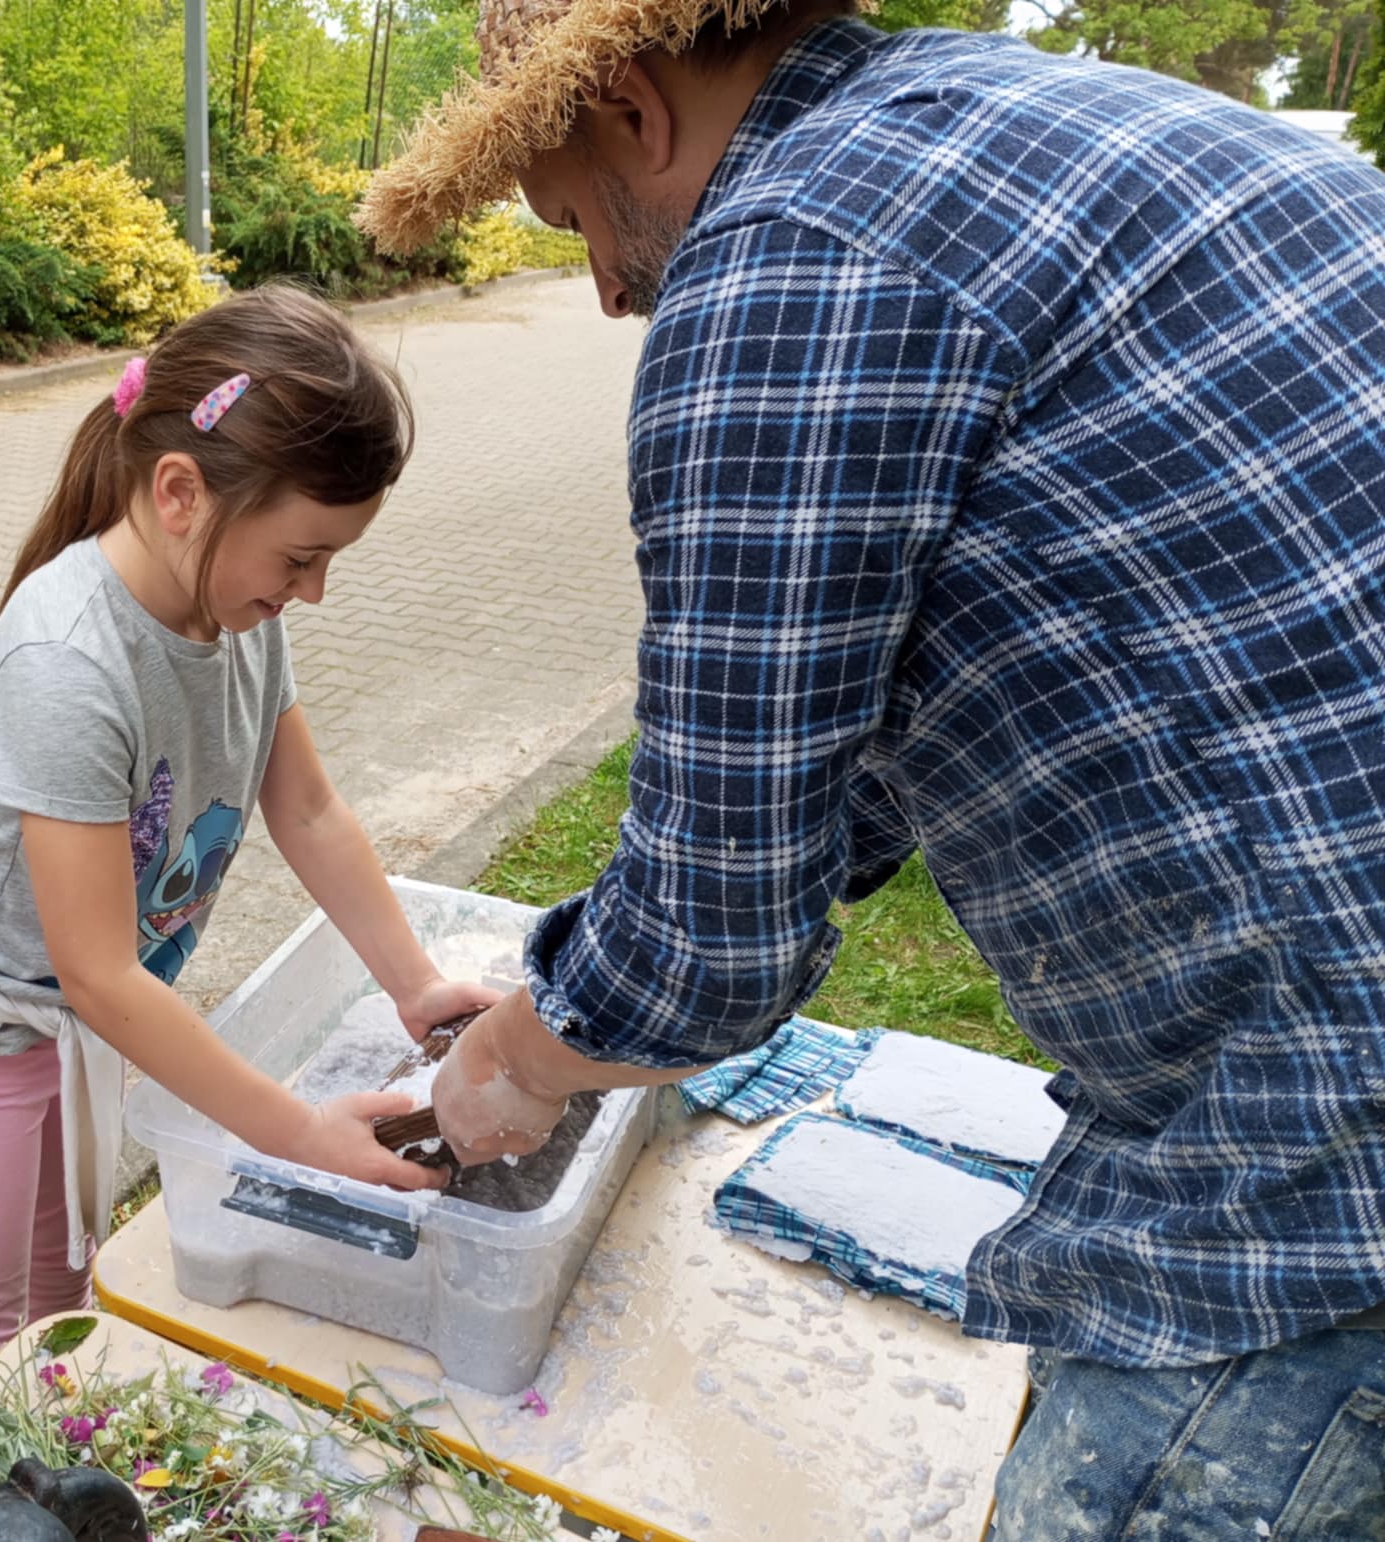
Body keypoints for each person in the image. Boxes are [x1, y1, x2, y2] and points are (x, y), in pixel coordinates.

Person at [360, 0, 1385, 1533]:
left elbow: (709, 944)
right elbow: (846, 756)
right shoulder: (1050, 128)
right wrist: (571, 982)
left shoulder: (790, 261)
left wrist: (513, 1064)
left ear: (632, 106)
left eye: (575, 224)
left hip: (1315, 1147)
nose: (606, 289)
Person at [0, 286, 497, 1415]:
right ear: (180, 493)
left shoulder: (236, 615)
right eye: (300, 557)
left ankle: (39, 1481)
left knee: (60, 1301)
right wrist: (299, 1136)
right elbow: (96, 971)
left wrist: (415, 985)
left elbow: (309, 811)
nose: (313, 592)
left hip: (78, 1009)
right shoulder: (65, 663)